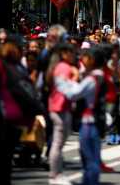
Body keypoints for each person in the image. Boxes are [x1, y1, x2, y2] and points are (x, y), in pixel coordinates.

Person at [58, 47, 107, 185]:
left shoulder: (92, 79)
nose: (82, 59)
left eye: (85, 57)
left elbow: (74, 94)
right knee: (92, 157)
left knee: (89, 158)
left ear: (92, 60)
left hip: (88, 122)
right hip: (95, 121)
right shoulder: (99, 75)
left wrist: (63, 82)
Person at [46, 43, 78, 185]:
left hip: (59, 107)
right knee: (57, 144)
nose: (74, 56)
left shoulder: (58, 66)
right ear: (64, 54)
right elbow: (66, 88)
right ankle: (55, 175)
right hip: (60, 108)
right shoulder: (63, 67)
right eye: (72, 53)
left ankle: (57, 174)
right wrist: (76, 78)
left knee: (58, 143)